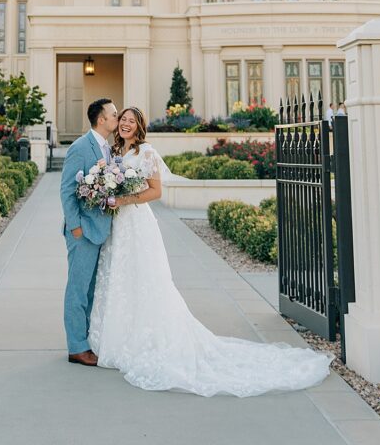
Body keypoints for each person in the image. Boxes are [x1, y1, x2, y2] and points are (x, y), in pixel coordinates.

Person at [88, 106, 332, 396]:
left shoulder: (147, 153)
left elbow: (155, 192)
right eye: (123, 120)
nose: (126, 124)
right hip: (119, 226)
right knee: (120, 277)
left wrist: (123, 199)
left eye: (131, 121)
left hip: (137, 223)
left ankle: (146, 338)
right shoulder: (115, 152)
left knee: (146, 280)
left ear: (139, 127)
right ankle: (117, 337)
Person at [60, 97, 118, 366]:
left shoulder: (108, 149)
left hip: (101, 231)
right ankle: (76, 347)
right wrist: (75, 228)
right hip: (83, 231)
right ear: (101, 119)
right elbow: (67, 190)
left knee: (92, 290)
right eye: (114, 114)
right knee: (78, 290)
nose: (117, 118)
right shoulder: (80, 148)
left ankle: (87, 340)